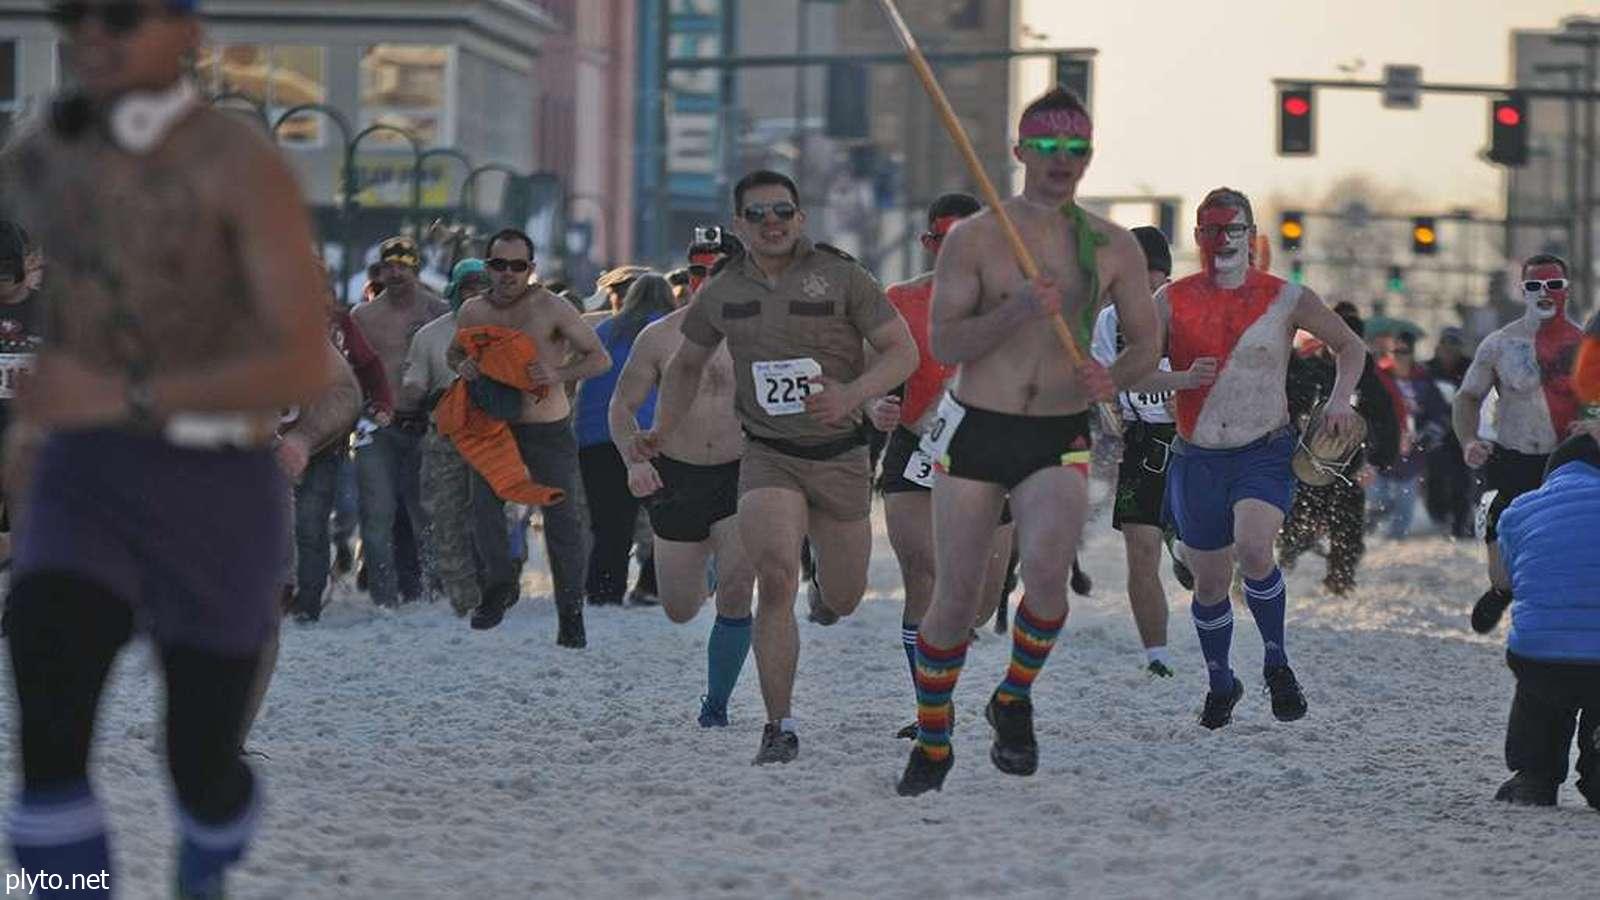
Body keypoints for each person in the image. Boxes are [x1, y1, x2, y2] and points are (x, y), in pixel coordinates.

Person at [0, 2, 335, 894]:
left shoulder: (240, 165)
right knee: (48, 722)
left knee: (200, 760)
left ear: (187, 34)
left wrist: (125, 391)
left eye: (121, 16)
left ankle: (208, 853)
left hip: (216, 483)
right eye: (76, 15)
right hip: (85, 476)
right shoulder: (44, 152)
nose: (92, 35)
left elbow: (306, 360)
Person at [895, 88, 1160, 795]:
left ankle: (1012, 696)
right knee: (956, 597)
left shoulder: (1109, 243)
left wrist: (1115, 377)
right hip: (977, 426)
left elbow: (1147, 342)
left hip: (1057, 433)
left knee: (1046, 579)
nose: (1061, 162)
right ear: (1019, 152)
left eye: (1076, 149)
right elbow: (946, 340)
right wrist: (1015, 310)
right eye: (1047, 147)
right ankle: (933, 736)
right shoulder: (975, 239)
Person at [631, 169, 917, 765]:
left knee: (843, 596)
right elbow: (686, 366)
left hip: (840, 457)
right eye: (757, 215)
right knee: (777, 578)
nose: (771, 224)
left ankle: (827, 594)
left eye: (781, 212)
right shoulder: (723, 290)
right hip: (767, 455)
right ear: (739, 224)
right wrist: (664, 423)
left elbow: (902, 352)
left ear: (800, 218)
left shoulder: (842, 276)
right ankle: (778, 725)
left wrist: (853, 395)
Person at [1160, 187, 1365, 731]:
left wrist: (1342, 399)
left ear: (1252, 236)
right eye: (1211, 230)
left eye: (1234, 229)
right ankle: (1221, 681)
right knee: (1208, 583)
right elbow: (1130, 369)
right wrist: (1173, 380)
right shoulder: (1171, 300)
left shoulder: (1286, 297)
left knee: (1254, 550)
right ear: (1198, 236)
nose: (1223, 240)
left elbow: (1351, 346)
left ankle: (1277, 662)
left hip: (1263, 450)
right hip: (1196, 457)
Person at [867, 193, 1018, 740]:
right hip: (915, 450)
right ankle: (935, 709)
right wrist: (874, 404)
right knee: (924, 578)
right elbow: (871, 373)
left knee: (976, 602)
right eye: (942, 241)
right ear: (927, 244)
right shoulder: (899, 301)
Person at [609, 270, 756, 728]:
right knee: (680, 607)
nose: (709, 282)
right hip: (677, 473)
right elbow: (622, 406)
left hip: (741, 471)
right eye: (700, 272)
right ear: (689, 279)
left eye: (723, 272)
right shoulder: (659, 337)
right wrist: (634, 461)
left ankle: (716, 704)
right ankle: (708, 566)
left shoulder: (764, 332)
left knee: (736, 592)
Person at [451, 228, 610, 642]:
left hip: (546, 428)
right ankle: (500, 586)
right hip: (492, 426)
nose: (507, 273)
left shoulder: (552, 308)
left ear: (531, 269)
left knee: (562, 522)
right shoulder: (472, 311)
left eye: (517, 266)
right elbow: (456, 351)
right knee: (482, 509)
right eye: (499, 264)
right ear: (488, 266)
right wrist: (462, 366)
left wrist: (557, 373)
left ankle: (571, 613)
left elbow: (599, 358)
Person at [1452, 254, 1595, 634]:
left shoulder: (1585, 345)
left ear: (1567, 290)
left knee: (1567, 542)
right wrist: (1468, 441)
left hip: (1568, 465)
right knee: (1496, 528)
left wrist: (1594, 422)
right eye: (1534, 286)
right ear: (1523, 291)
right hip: (1513, 457)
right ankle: (1502, 590)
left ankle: (1564, 610)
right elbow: (1467, 398)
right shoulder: (1500, 344)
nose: (1544, 294)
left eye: (1553, 285)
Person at [1089, 225, 1206, 678]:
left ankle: (1188, 555)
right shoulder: (1109, 321)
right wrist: (1109, 404)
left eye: (1151, 276)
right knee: (1140, 550)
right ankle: (1156, 655)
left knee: (1203, 556)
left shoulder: (1190, 310)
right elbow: (1104, 380)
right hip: (1142, 444)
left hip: (1194, 443)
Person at [1491, 433, 1600, 809]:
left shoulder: (1520, 510)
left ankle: (1533, 778)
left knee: (1538, 696)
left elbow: (1504, 581)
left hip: (1541, 655)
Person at [286, 260, 393, 623]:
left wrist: (382, 402)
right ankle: (278, 590)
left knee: (311, 519)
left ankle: (309, 600)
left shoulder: (339, 324)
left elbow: (367, 368)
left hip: (325, 440)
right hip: (271, 439)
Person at [349, 236, 449, 608]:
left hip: (426, 426)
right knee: (376, 516)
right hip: (378, 428)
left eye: (403, 266)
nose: (395, 273)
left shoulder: (437, 311)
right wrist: (361, 409)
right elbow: (351, 371)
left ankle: (430, 591)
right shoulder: (364, 317)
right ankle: (383, 597)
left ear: (416, 269)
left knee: (427, 515)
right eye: (389, 267)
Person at [1278, 305, 1399, 595]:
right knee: (1295, 525)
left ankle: (1340, 579)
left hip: (1350, 469)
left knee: (1347, 530)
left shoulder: (1370, 381)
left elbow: (1385, 425)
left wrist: (1376, 462)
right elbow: (1290, 404)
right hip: (1307, 464)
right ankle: (1283, 561)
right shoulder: (1311, 371)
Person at [577, 274, 676, 607]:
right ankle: (651, 586)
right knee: (672, 516)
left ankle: (604, 592)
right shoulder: (667, 331)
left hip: (594, 437)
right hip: (650, 435)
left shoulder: (605, 330)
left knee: (609, 524)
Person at [403, 258, 491, 618]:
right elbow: (414, 385)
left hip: (496, 433)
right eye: (468, 288)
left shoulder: (508, 330)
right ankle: (463, 596)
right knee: (447, 514)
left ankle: (495, 584)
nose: (475, 295)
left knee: (490, 514)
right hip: (445, 433)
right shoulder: (430, 336)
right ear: (455, 291)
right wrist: (412, 389)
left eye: (482, 287)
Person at [1369, 331, 1449, 540]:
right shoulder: (1378, 377)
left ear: (1412, 354)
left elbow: (1440, 412)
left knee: (1404, 506)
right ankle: (1372, 534)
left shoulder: (1423, 380)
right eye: (1394, 351)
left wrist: (1430, 433)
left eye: (1404, 352)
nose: (1398, 356)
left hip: (1412, 451)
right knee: (1379, 499)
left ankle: (1395, 546)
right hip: (1382, 448)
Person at [1424, 327, 1476, 538]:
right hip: (1435, 432)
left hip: (1462, 431)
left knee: (1462, 480)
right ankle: (1439, 516)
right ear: (1439, 349)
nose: (1449, 354)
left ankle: (1460, 524)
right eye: (1446, 349)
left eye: (1454, 349)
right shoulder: (1427, 370)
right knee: (1436, 476)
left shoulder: (1470, 368)